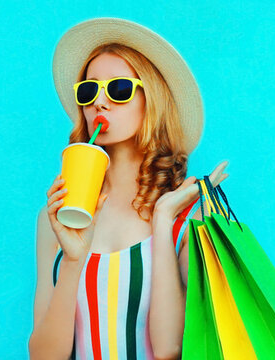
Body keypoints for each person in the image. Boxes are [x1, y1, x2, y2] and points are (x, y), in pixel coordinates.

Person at [29, 18, 229, 360]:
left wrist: (163, 218)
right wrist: (74, 262)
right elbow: (43, 356)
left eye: (119, 90)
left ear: (151, 100)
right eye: (89, 91)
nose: (99, 104)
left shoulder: (188, 212)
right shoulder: (58, 216)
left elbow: (171, 349)